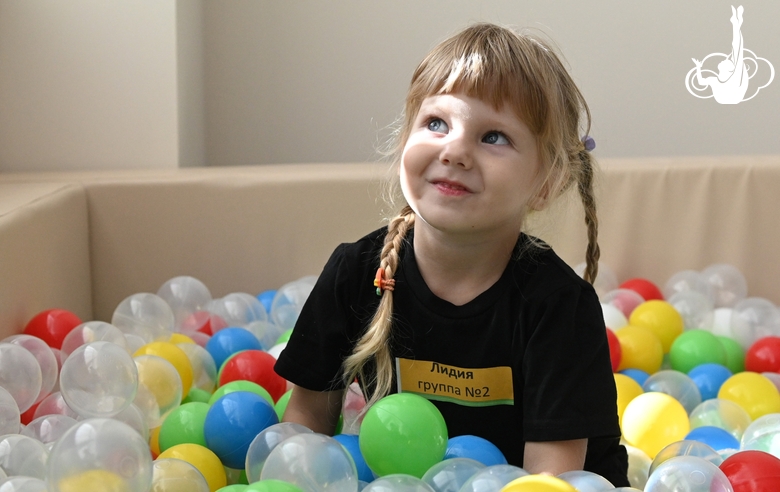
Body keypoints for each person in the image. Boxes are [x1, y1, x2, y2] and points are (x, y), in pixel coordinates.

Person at [274, 22, 629, 486]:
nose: (455, 150)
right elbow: (306, 430)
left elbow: (551, 479)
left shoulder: (557, 306)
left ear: (547, 182)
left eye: (494, 137)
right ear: (405, 139)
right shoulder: (357, 274)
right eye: (436, 123)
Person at [692, 5, 748, 104]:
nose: (724, 59)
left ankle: (736, 24)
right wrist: (698, 67)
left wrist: (698, 68)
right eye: (728, 61)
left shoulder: (733, 77)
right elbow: (701, 82)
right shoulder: (715, 80)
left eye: (727, 61)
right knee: (737, 51)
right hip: (729, 98)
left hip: (731, 97)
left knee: (737, 50)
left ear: (729, 69)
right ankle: (736, 23)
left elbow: (737, 49)